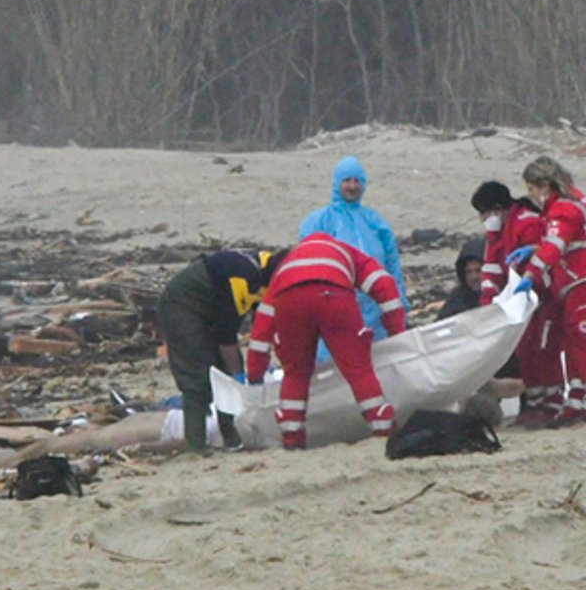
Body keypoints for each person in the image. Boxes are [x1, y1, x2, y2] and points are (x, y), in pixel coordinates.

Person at [244, 232, 411, 450]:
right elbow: (385, 285)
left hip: (290, 300)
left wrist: (255, 376)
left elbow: (262, 327)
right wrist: (397, 332)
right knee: (358, 368)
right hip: (334, 295)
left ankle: (292, 435)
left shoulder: (285, 269)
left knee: (295, 371)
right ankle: (381, 426)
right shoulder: (349, 253)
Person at [515, 156, 586, 425]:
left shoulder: (564, 209)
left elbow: (556, 246)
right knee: (573, 337)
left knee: (585, 337)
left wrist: (530, 273)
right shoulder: (574, 202)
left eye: (533, 189)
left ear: (544, 185)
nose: (532, 196)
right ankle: (578, 397)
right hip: (581, 281)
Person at [155, 249, 277, 452]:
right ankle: (196, 445)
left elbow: (261, 327)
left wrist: (253, 374)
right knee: (198, 379)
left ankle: (232, 438)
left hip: (211, 308)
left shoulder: (266, 272)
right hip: (182, 307)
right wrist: (239, 376)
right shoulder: (243, 280)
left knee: (223, 376)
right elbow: (226, 338)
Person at [298, 156, 402, 350]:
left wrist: (400, 301)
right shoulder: (319, 222)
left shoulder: (375, 222)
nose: (352, 186)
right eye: (347, 181)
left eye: (357, 181)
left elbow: (392, 264)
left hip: (376, 310)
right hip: (336, 308)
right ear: (337, 183)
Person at [473, 179, 548, 395]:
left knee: (537, 348)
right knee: (524, 348)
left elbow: (537, 262)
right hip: (516, 297)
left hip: (537, 294)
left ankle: (541, 398)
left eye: (484, 214)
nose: (482, 220)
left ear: (497, 209)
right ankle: (532, 397)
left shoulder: (527, 223)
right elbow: (492, 267)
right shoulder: (499, 231)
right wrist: (488, 304)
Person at [437, 239, 486, 320]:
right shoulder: (456, 299)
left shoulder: (501, 294)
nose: (474, 277)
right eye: (469, 272)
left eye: (478, 271)